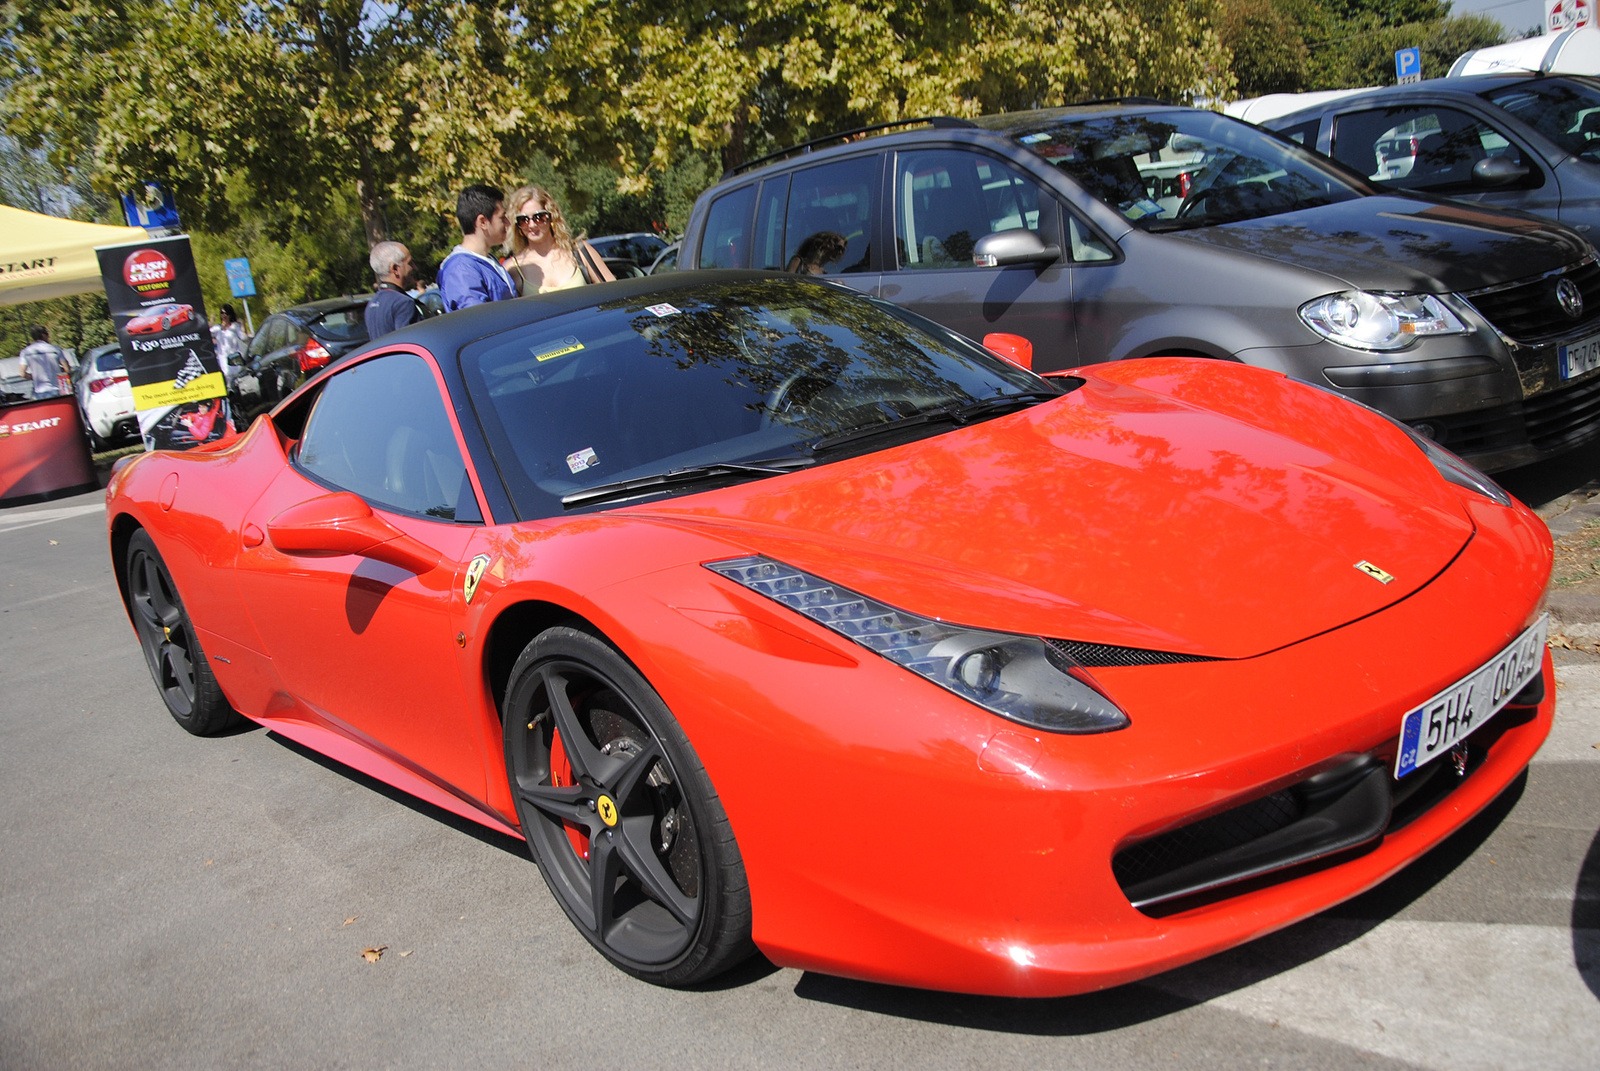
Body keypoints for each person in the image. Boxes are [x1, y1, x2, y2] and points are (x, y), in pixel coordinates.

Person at [501, 185, 615, 295]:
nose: (531, 225)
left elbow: (616, 293)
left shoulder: (580, 252)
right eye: (523, 219)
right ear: (517, 225)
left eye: (539, 217)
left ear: (551, 217)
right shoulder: (513, 268)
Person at [437, 184, 516, 312]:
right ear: (483, 222)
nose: (508, 223)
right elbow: (478, 322)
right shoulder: (462, 269)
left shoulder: (483, 261)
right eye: (502, 217)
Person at [364, 241, 420, 338]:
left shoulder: (371, 305)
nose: (415, 267)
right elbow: (409, 344)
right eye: (410, 263)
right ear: (395, 269)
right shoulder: (403, 303)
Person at [18, 325, 68, 399]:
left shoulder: (26, 352)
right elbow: (67, 369)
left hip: (40, 392)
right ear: (43, 335)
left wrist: (33, 376)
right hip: (58, 390)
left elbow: (22, 374)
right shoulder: (55, 349)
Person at [210, 304, 248, 370]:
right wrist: (211, 321)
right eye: (222, 313)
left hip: (234, 358)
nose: (224, 315)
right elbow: (206, 333)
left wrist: (242, 324)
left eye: (226, 313)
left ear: (230, 315)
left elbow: (244, 337)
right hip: (223, 361)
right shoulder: (217, 328)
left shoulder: (235, 326)